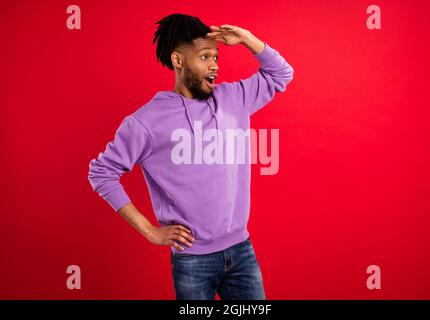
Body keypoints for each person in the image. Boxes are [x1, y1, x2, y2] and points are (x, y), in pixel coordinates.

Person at [88, 13, 294, 300]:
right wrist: (150, 231)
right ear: (178, 61)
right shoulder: (146, 122)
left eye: (217, 57)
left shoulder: (233, 98)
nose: (215, 66)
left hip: (242, 251)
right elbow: (101, 173)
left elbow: (282, 74)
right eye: (205, 57)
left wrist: (247, 39)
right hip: (193, 260)